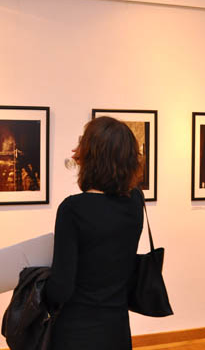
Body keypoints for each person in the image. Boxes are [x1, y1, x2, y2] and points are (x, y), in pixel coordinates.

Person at [44, 116, 144, 350]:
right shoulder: (135, 201)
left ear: (91, 158)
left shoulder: (73, 209)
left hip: (77, 332)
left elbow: (61, 288)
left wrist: (34, 283)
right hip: (117, 329)